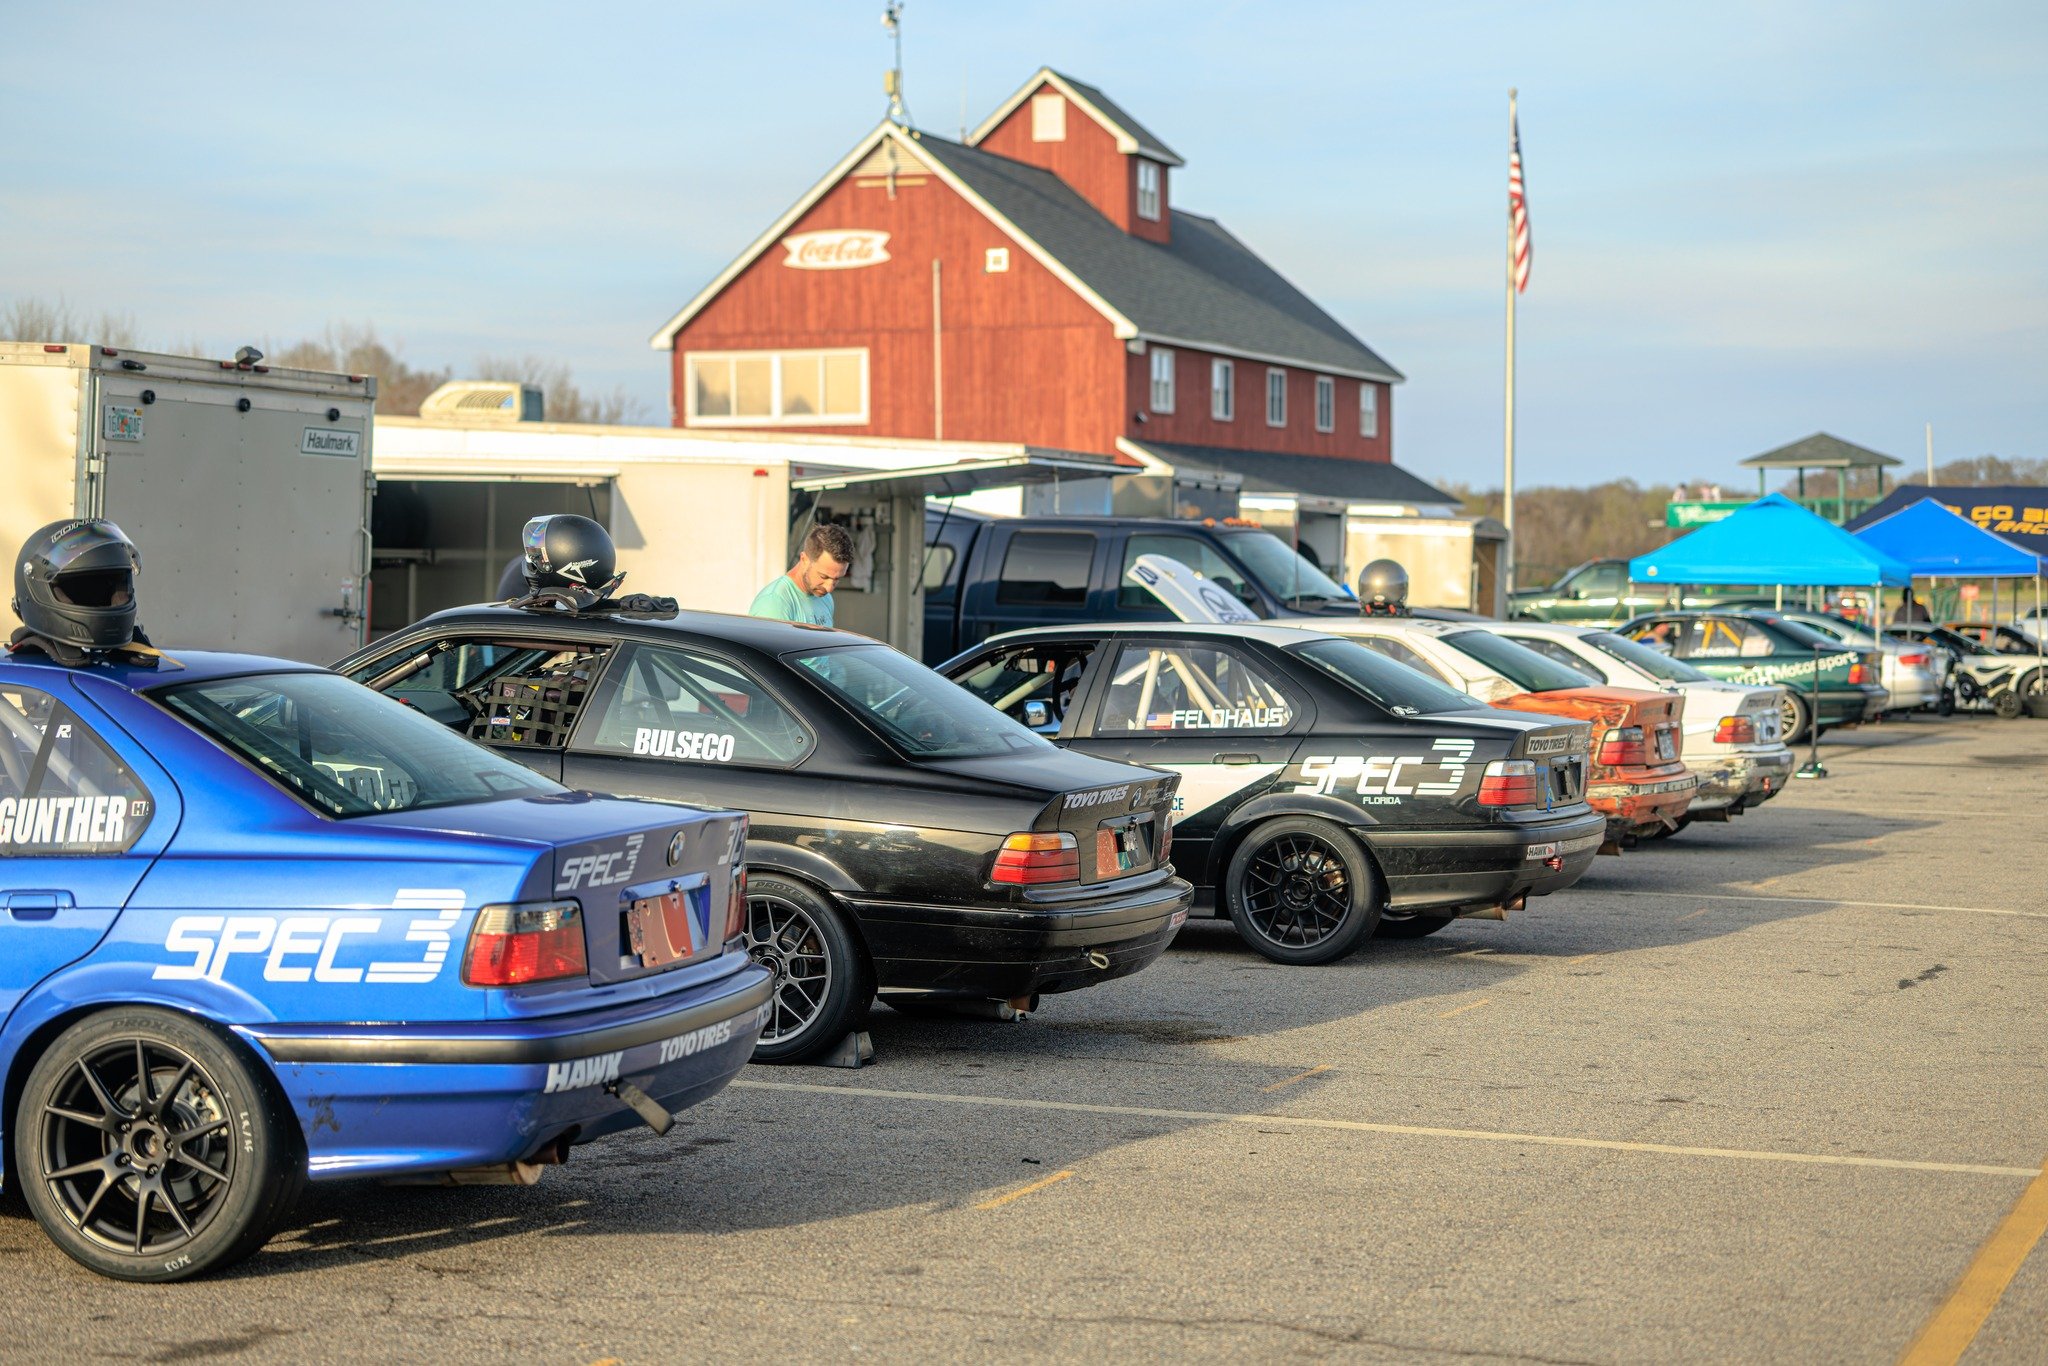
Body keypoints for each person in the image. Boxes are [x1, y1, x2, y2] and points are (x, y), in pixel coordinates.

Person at [752, 523, 853, 627]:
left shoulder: (826, 599)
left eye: (837, 579)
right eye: (824, 576)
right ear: (804, 559)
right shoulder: (774, 602)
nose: (829, 588)